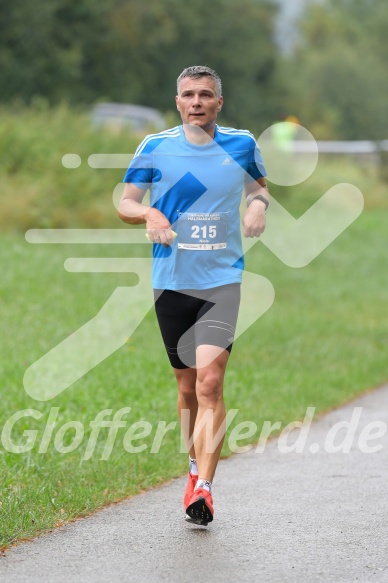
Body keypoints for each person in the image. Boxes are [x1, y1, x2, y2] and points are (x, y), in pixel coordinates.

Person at [118, 65, 269, 526]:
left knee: (210, 382)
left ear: (219, 103)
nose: (197, 102)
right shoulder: (156, 147)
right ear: (178, 101)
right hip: (172, 281)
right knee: (186, 387)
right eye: (189, 95)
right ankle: (192, 466)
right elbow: (125, 202)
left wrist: (258, 206)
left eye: (206, 95)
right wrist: (148, 215)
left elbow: (258, 188)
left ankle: (203, 487)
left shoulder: (241, 143)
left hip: (222, 279)